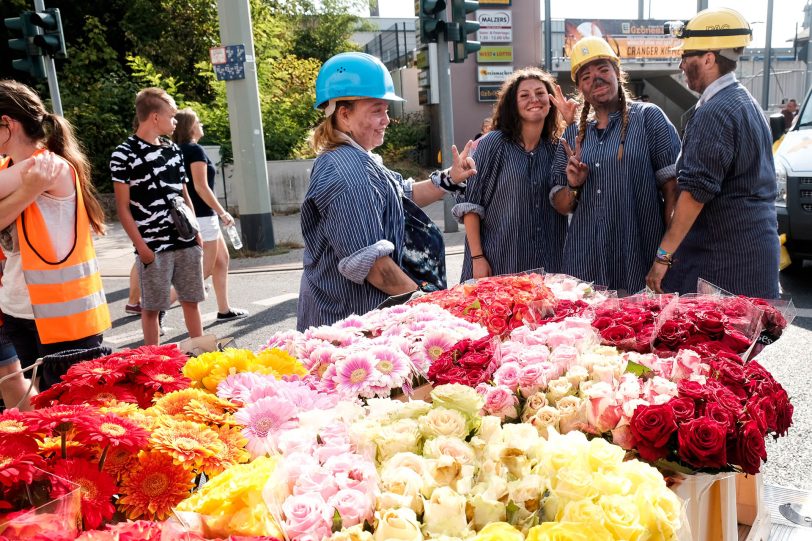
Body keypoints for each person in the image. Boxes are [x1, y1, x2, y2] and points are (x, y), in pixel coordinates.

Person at [297, 52, 476, 330]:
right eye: (377, 110)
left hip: (359, 317)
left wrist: (450, 179)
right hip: (350, 326)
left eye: (386, 110)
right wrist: (428, 309)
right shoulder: (348, 173)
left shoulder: (358, 158)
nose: (387, 120)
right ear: (344, 115)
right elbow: (375, 268)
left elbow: (403, 196)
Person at [646, 8, 780, 299]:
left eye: (686, 56)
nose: (681, 64)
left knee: (715, 343)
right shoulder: (744, 101)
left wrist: (662, 258)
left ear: (709, 58)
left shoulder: (716, 111)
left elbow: (695, 194)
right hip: (749, 256)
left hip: (724, 265)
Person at [0, 79, 111, 394]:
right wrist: (28, 191)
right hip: (19, 310)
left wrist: (31, 187)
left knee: (76, 415)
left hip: (66, 318)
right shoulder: (13, 168)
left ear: (7, 123)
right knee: (47, 414)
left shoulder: (51, 167)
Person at [550, 36, 680, 294]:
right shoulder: (573, 136)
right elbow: (561, 205)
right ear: (580, 88)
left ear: (617, 72)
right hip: (585, 265)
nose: (595, 79)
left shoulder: (648, 118)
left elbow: (673, 189)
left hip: (640, 261)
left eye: (602, 70)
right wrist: (574, 186)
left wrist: (667, 255)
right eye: (586, 76)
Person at [453, 68, 570, 281]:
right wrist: (477, 257)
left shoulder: (557, 148)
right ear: (513, 105)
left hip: (547, 265)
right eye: (524, 95)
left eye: (540, 93)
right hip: (498, 263)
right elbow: (470, 205)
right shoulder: (493, 144)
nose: (534, 99)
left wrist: (572, 124)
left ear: (550, 99)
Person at [111, 87, 205, 345]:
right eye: (171, 116)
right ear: (155, 117)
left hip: (184, 240)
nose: (175, 121)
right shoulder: (124, 154)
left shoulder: (174, 150)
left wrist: (196, 233)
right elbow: (122, 207)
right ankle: (154, 361)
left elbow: (184, 195)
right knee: (151, 308)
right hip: (152, 246)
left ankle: (199, 355)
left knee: (191, 300)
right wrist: (141, 247)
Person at [172, 108, 247, 321]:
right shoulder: (194, 150)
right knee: (202, 272)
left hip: (195, 215)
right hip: (204, 216)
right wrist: (222, 212)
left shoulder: (176, 150)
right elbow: (201, 187)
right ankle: (159, 306)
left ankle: (224, 309)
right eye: (198, 121)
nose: (201, 125)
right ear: (190, 126)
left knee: (221, 260)